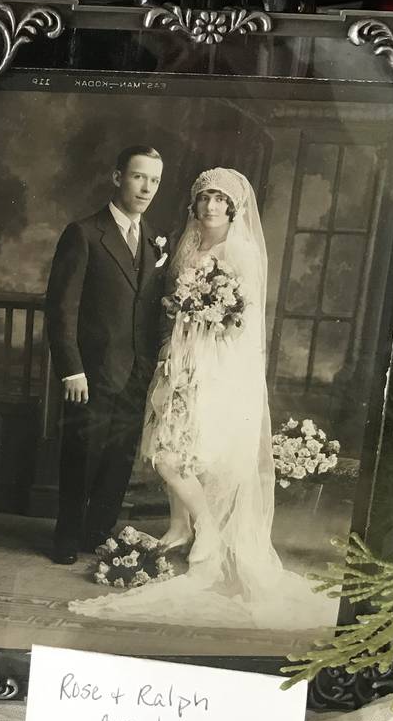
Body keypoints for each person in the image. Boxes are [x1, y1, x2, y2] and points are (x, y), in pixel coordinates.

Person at [70, 167, 329, 630]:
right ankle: (182, 527)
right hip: (179, 354)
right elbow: (163, 299)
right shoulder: (187, 244)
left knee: (177, 451)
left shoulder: (241, 251)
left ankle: (205, 526)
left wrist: (209, 314)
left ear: (234, 208)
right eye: (205, 198)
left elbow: (243, 322)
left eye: (220, 201)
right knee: (167, 445)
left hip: (215, 363)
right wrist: (180, 312)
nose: (211, 207)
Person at [44, 146, 168, 565]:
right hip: (91, 372)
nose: (146, 187)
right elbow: (61, 308)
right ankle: (65, 536)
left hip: (137, 371)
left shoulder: (154, 239)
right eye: (138, 177)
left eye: (154, 180)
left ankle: (97, 533)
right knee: (83, 454)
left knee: (119, 458)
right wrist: (71, 370)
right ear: (118, 178)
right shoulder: (84, 233)